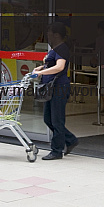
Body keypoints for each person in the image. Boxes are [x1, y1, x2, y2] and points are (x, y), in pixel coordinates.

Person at [33, 22, 78, 160]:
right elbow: (51, 64)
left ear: (57, 35)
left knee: (57, 120)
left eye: (49, 33)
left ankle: (57, 150)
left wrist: (42, 73)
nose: (47, 35)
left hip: (59, 87)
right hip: (51, 88)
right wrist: (41, 68)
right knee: (48, 119)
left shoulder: (62, 49)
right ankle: (70, 140)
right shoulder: (55, 48)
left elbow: (59, 67)